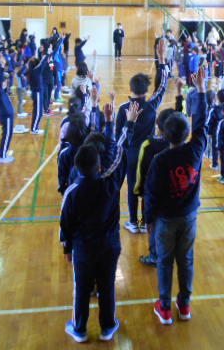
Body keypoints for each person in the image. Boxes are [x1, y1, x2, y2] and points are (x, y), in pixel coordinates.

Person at [60, 100, 138, 344]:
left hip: (83, 247)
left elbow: (66, 222)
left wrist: (67, 247)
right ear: (100, 164)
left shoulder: (73, 189)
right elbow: (120, 150)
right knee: (107, 287)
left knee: (82, 288)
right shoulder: (111, 183)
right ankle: (108, 327)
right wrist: (126, 123)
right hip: (109, 244)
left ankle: (80, 328)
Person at [144, 66, 208, 325]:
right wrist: (201, 91)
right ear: (186, 134)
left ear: (163, 134)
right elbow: (202, 123)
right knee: (186, 260)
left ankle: (165, 306)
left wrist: (149, 221)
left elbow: (151, 194)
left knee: (165, 262)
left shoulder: (160, 160)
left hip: (165, 220)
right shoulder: (196, 150)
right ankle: (185, 304)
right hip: (189, 217)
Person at [116, 38, 169, 234]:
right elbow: (163, 85)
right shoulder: (152, 105)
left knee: (132, 187)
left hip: (131, 155)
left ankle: (132, 221)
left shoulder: (123, 109)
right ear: (147, 90)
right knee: (147, 186)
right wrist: (162, 59)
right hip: (149, 152)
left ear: (131, 89)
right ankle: (146, 221)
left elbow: (118, 137)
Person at [134, 107, 176, 267]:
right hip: (173, 194)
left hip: (152, 195)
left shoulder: (148, 145)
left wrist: (139, 190)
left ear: (157, 124)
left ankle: (154, 255)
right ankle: (169, 253)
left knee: (151, 225)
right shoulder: (177, 145)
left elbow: (141, 170)